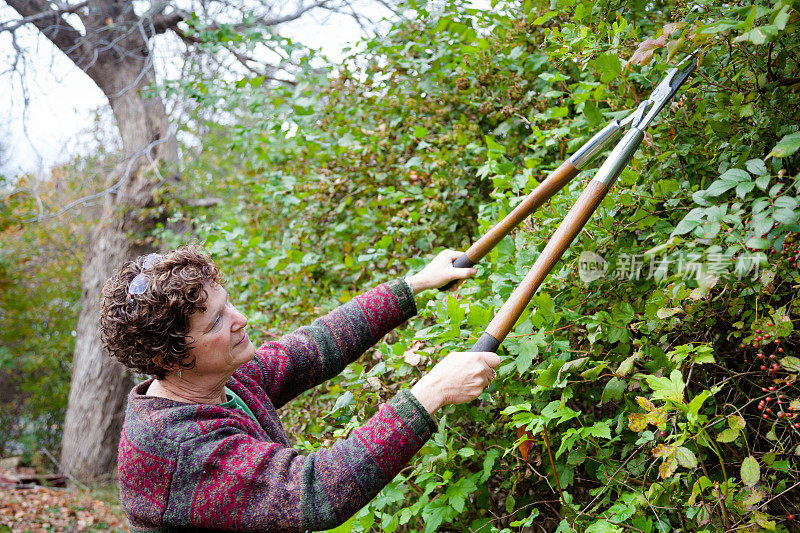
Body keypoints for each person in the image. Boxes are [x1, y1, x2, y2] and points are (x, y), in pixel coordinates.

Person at [100, 245, 501, 532]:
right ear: (168, 359)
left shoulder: (218, 379)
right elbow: (313, 490)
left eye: (227, 304)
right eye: (216, 322)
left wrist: (414, 285)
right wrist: (431, 392)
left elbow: (315, 346)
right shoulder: (175, 447)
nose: (239, 319)